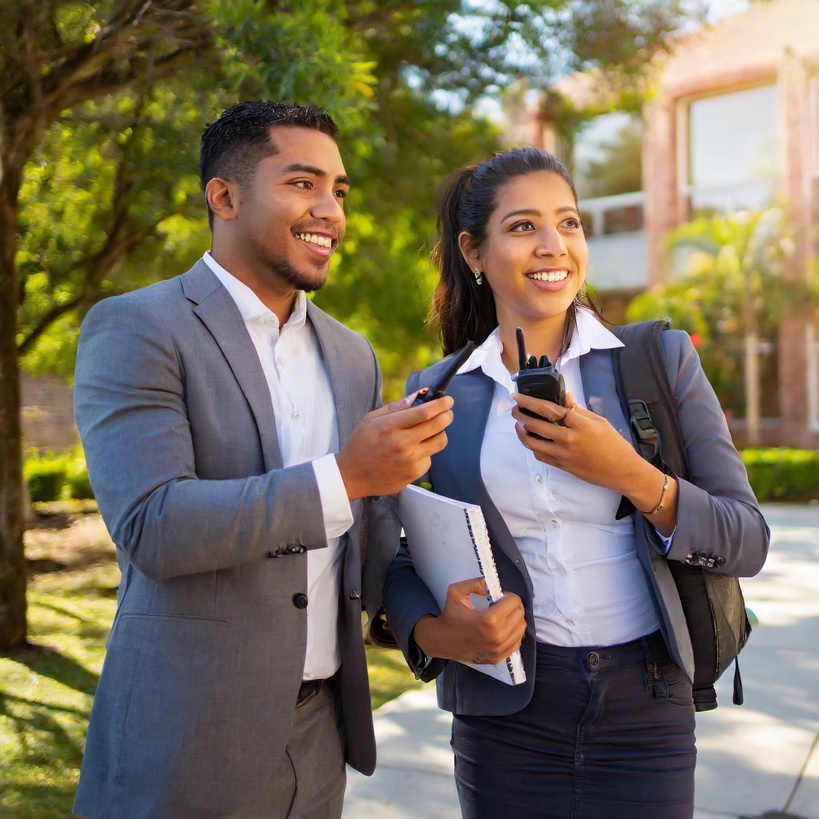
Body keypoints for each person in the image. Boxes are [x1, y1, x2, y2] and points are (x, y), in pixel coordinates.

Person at [71, 100, 454, 819]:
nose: (330, 211)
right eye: (303, 183)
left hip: (320, 744)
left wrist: (431, 619)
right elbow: (154, 526)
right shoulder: (136, 326)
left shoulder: (351, 354)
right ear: (224, 195)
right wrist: (346, 476)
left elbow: (364, 549)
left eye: (338, 190)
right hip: (187, 742)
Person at [382, 146, 770, 818]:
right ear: (473, 253)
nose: (552, 244)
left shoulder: (660, 361)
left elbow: (747, 540)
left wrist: (628, 473)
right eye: (523, 226)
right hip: (503, 710)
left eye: (568, 223)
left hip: (646, 702)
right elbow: (396, 556)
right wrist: (437, 632)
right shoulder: (436, 393)